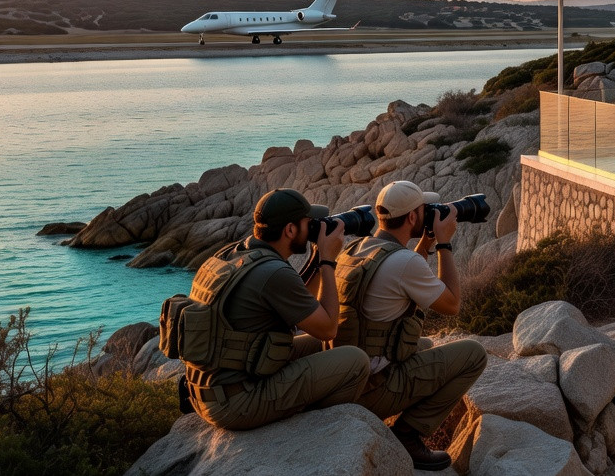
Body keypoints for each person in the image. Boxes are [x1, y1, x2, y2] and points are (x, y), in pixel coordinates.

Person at [179, 188, 371, 430]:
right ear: (290, 230)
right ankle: (318, 430)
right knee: (355, 360)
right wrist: (328, 261)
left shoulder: (235, 253)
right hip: (236, 402)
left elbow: (303, 306)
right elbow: (328, 327)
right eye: (308, 223)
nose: (313, 227)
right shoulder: (274, 273)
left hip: (211, 389)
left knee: (333, 343)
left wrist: (315, 257)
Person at [336, 180, 488, 471]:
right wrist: (444, 244)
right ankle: (408, 433)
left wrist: (425, 243)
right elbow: (452, 305)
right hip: (373, 392)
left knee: (425, 345)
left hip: (348, 377)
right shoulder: (404, 263)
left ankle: (400, 422)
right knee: (473, 354)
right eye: (424, 209)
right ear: (413, 217)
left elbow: (399, 273)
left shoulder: (358, 248)